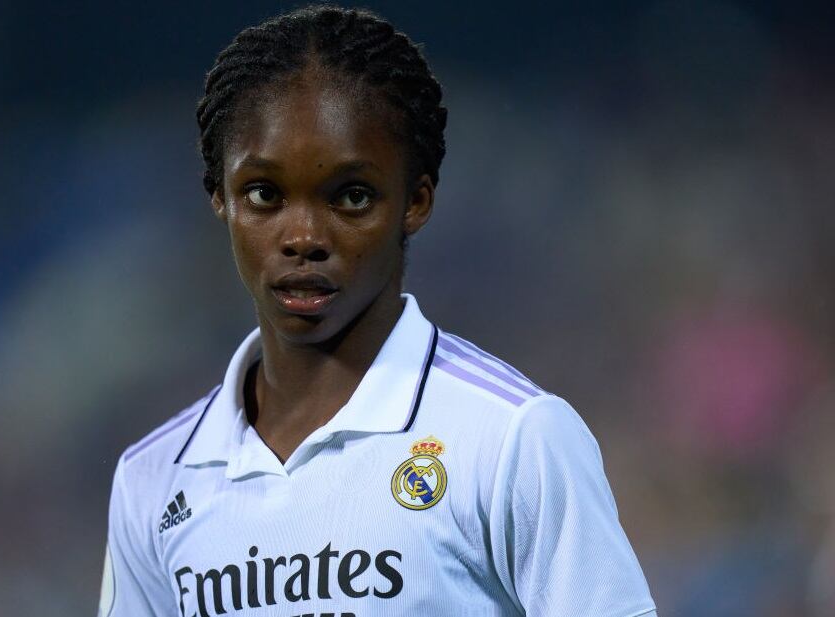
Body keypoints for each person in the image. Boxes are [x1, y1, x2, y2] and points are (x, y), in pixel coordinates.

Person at [98, 5, 656, 616]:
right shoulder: (152, 480)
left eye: (351, 195)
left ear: (415, 202)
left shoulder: (514, 438)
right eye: (264, 194)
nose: (303, 236)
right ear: (219, 199)